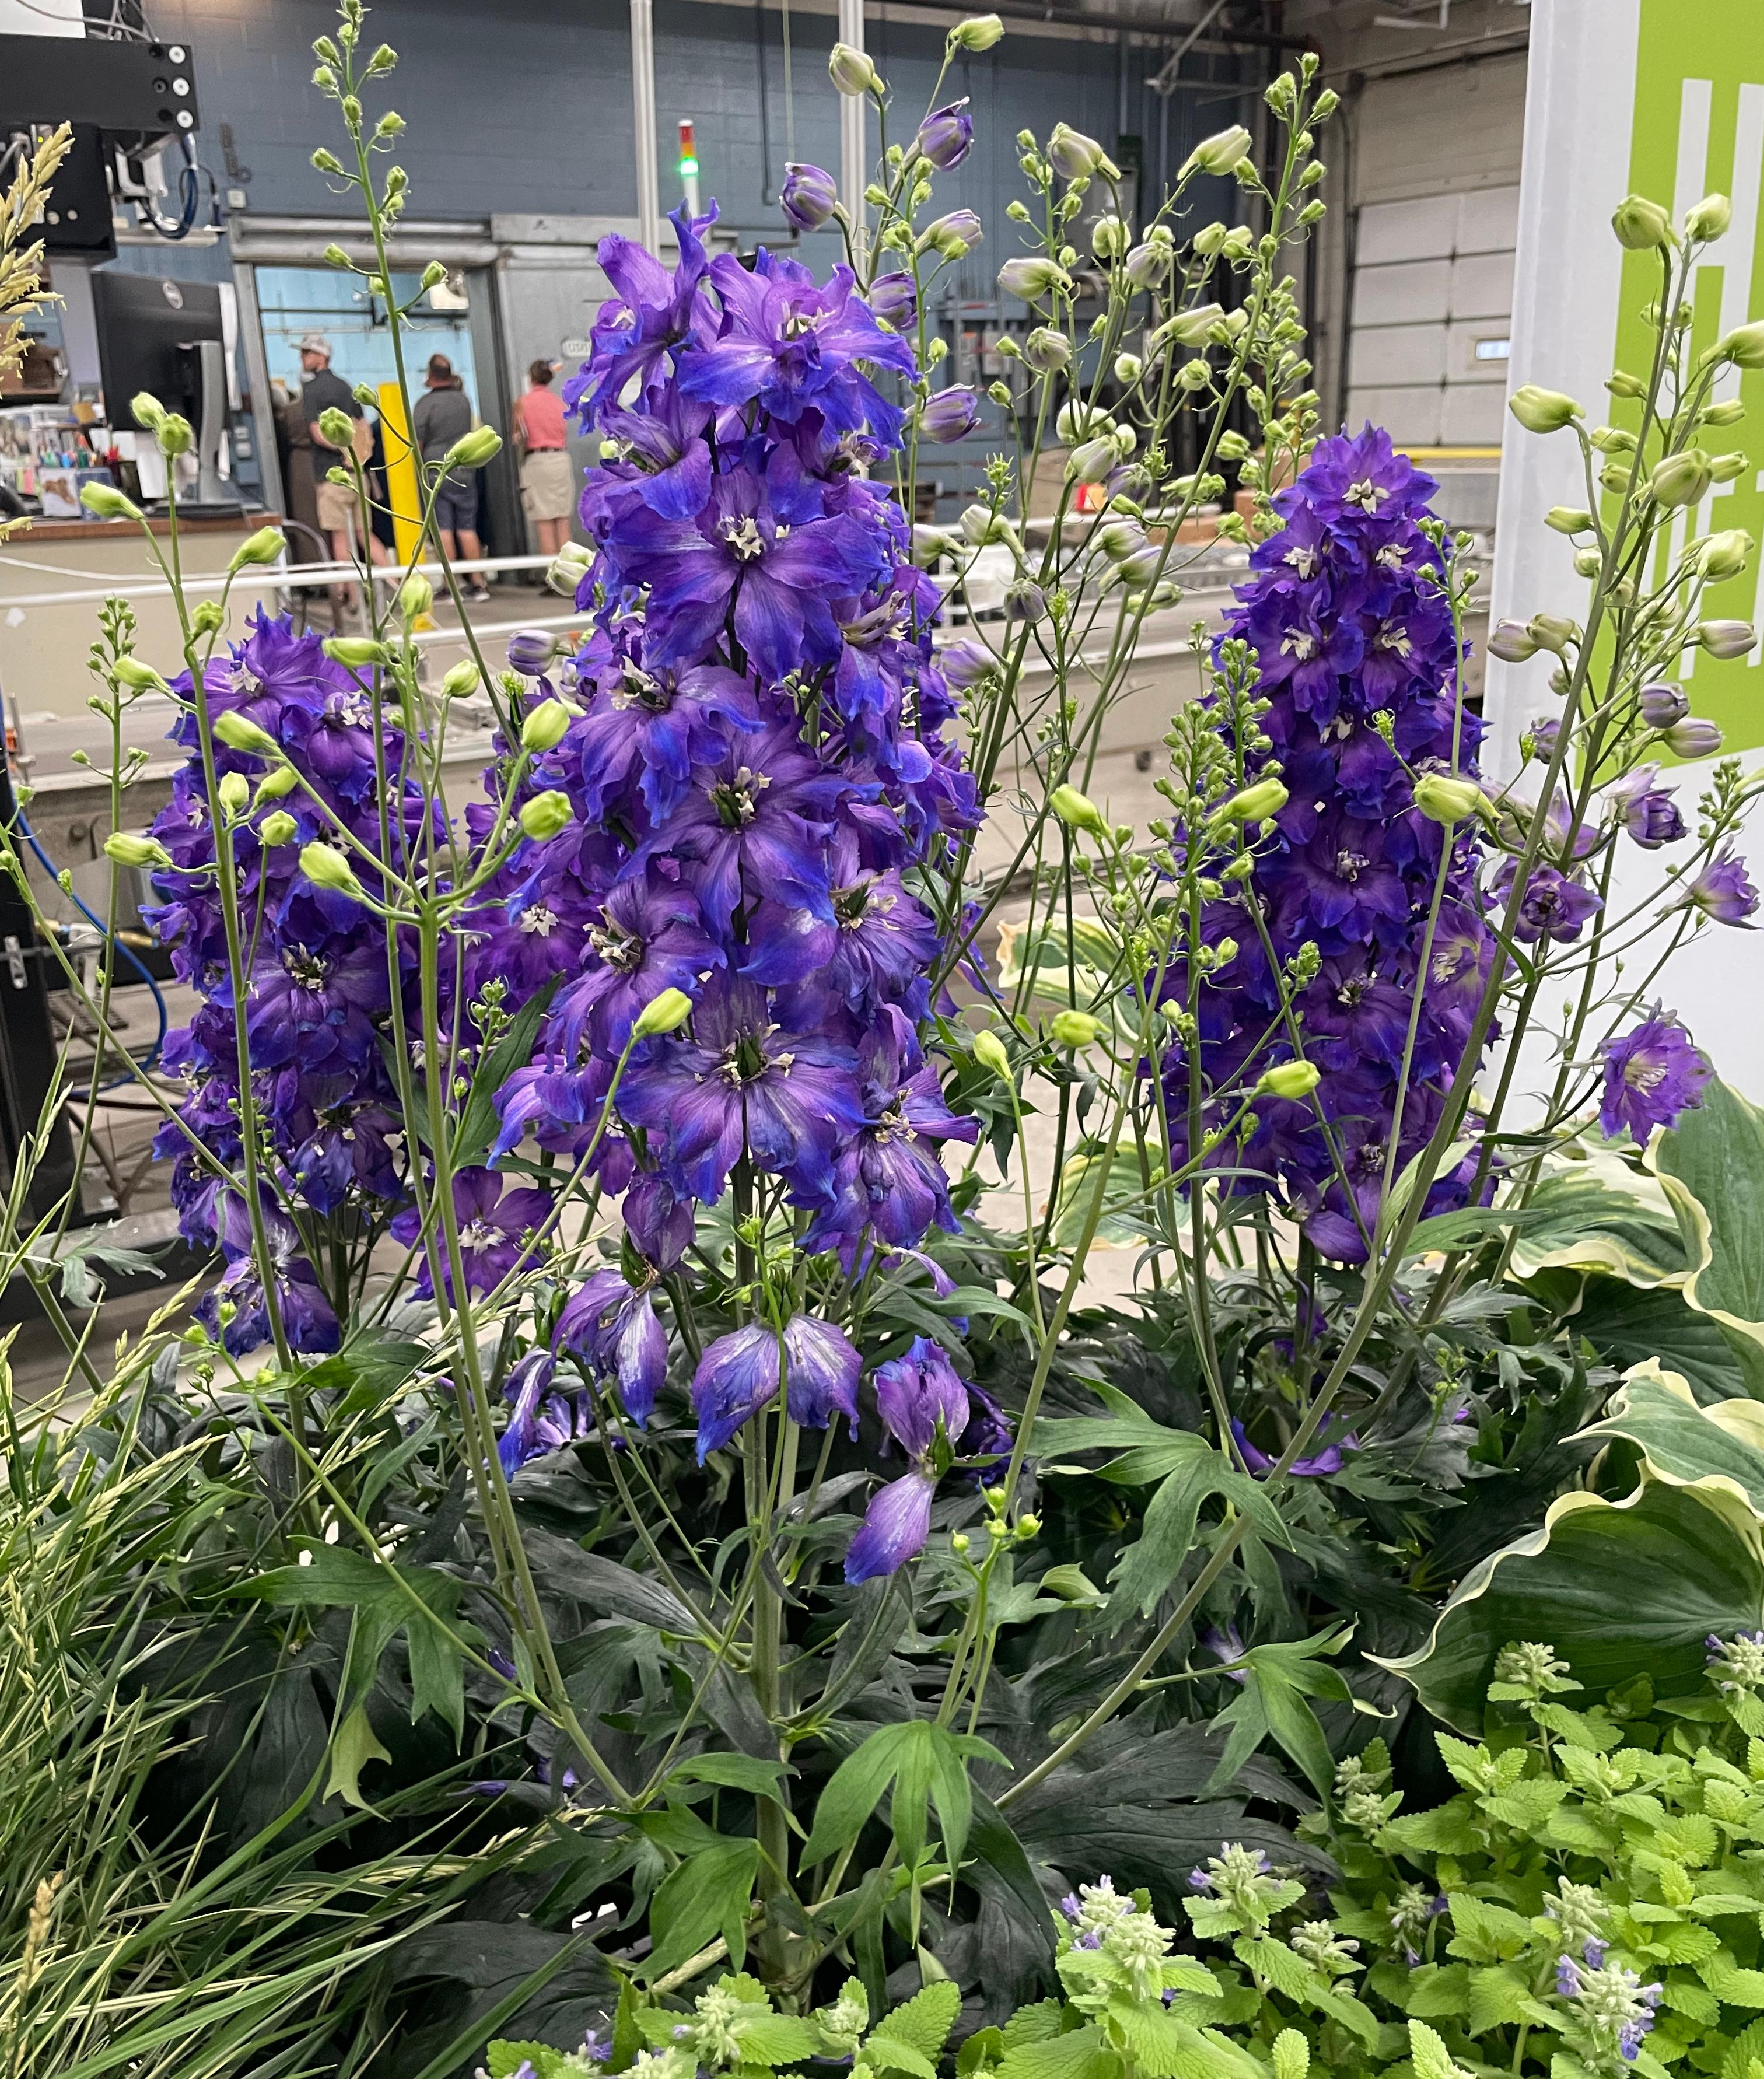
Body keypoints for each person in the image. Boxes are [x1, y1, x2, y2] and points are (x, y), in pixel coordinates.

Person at [296, 332, 376, 625]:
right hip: (360, 474)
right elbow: (364, 427)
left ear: (321, 357)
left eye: (307, 353)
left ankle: (351, 597)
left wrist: (339, 446)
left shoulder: (313, 390)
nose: (303, 358)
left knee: (340, 539)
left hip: (332, 476)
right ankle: (398, 583)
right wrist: (355, 453)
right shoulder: (347, 386)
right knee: (365, 535)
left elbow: (317, 431)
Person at [412, 352, 488, 600]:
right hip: (464, 468)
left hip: (436, 469)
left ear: (430, 376)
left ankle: (450, 585)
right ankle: (478, 584)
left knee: (443, 527)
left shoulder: (425, 404)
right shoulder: (463, 401)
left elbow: (417, 443)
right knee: (467, 527)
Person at [514, 358, 573, 558]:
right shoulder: (558, 402)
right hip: (561, 460)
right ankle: (570, 575)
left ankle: (553, 577)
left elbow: (517, 435)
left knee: (544, 523)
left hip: (537, 462)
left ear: (531, 378)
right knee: (563, 520)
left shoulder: (523, 403)